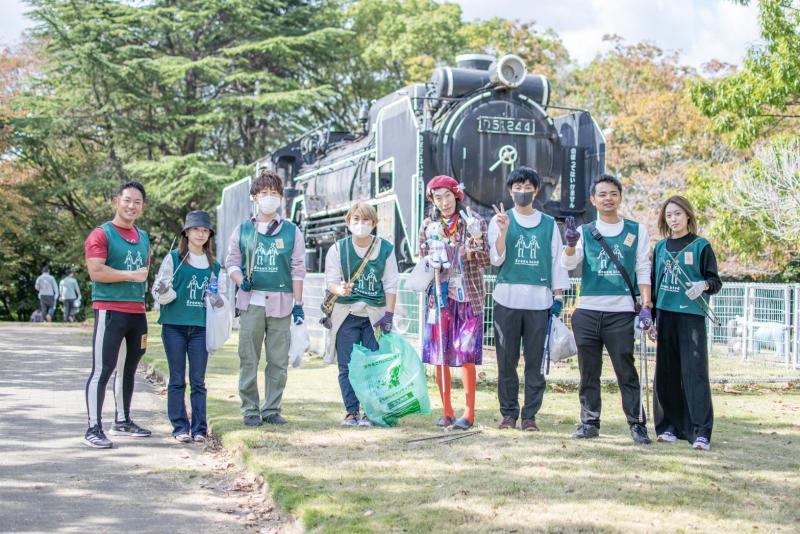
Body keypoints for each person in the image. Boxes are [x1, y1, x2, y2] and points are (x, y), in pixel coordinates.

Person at [561, 174, 653, 445]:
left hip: (622, 313)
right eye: (602, 194)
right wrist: (569, 244)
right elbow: (569, 265)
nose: (607, 198)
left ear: (620, 197)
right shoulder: (584, 232)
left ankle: (637, 424)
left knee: (626, 370)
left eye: (613, 193)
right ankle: (589, 422)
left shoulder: (637, 231)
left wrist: (646, 306)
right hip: (588, 311)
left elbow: (643, 269)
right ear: (593, 200)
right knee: (589, 371)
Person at [488, 167, 570, 431]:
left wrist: (559, 296)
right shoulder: (501, 219)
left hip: (539, 302)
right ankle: (509, 414)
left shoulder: (548, 224)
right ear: (510, 191)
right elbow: (496, 259)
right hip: (507, 300)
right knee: (506, 362)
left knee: (535, 363)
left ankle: (530, 416)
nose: (522, 192)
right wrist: (502, 232)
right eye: (517, 188)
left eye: (527, 188)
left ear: (536, 190)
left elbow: (558, 263)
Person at [225, 169, 306, 427]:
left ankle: (271, 408)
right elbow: (231, 263)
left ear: (281, 198)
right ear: (254, 197)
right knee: (249, 358)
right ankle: (250, 409)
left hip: (281, 303)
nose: (269, 198)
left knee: (278, 360)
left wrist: (299, 304)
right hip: (252, 303)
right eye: (263, 193)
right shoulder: (243, 230)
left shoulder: (292, 231)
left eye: (273, 193)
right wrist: (241, 281)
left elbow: (298, 268)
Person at [650, 196, 722, 451]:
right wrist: (651, 318)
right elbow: (654, 284)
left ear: (688, 216)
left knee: (694, 373)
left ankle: (701, 431)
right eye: (669, 215)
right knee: (666, 372)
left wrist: (702, 285)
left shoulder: (701, 246)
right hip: (665, 313)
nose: (673, 219)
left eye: (678, 214)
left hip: (691, 316)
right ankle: (668, 426)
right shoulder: (660, 248)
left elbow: (715, 281)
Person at [83, 181, 151, 449]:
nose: (131, 206)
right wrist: (129, 275)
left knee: (129, 368)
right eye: (127, 200)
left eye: (137, 202)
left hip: (137, 312)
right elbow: (96, 272)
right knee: (103, 368)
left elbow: (144, 273)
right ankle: (92, 427)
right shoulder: (101, 234)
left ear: (142, 207)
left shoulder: (143, 237)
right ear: (115, 202)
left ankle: (122, 420)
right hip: (110, 310)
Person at [419, 175, 489, 430]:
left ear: (456, 195)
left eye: (448, 195)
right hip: (440, 297)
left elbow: (485, 260)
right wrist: (433, 260)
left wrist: (472, 244)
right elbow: (423, 260)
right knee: (440, 354)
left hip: (468, 296)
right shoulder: (428, 225)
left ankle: (469, 414)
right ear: (433, 201)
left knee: (467, 353)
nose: (444, 202)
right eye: (438, 198)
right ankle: (447, 411)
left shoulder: (473, 221)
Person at [324, 202, 398, 427]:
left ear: (374, 224)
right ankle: (351, 411)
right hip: (346, 314)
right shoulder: (338, 249)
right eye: (356, 219)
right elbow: (331, 282)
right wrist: (340, 289)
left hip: (373, 315)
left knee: (374, 366)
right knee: (346, 365)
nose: (361, 224)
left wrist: (389, 315)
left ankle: (370, 412)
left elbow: (391, 285)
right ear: (348, 223)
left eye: (366, 220)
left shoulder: (385, 249)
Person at [152, 211, 221, 443]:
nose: (200, 234)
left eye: (205, 231)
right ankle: (180, 427)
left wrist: (216, 300)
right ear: (187, 233)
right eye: (196, 230)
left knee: (198, 380)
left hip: (200, 327)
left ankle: (200, 428)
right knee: (177, 378)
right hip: (174, 325)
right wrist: (163, 290)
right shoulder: (174, 258)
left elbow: (215, 295)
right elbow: (159, 289)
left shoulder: (214, 265)